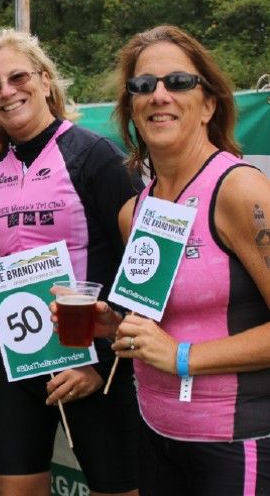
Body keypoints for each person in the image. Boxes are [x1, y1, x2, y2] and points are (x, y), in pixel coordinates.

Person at [0, 28, 141, 496]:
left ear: (45, 80)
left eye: (17, 77)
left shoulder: (93, 155)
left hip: (91, 366)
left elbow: (139, 269)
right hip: (17, 362)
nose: (6, 92)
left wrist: (98, 363)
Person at [102, 24, 270, 495]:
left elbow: (176, 347)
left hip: (235, 441)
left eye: (178, 82)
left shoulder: (240, 191)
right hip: (157, 435)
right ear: (131, 107)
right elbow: (162, 322)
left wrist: (182, 357)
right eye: (143, 85)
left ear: (209, 104)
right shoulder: (135, 212)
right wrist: (111, 324)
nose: (159, 95)